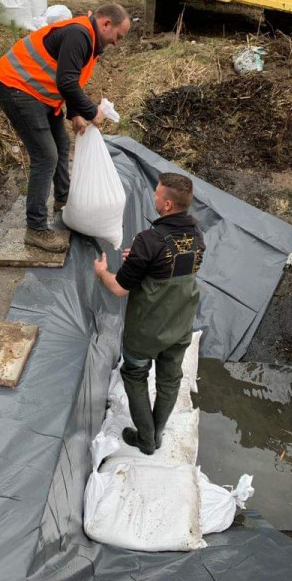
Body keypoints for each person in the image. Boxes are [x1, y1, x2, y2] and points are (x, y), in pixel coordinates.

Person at [0, 4, 131, 252]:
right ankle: (36, 229)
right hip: (17, 87)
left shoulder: (89, 40)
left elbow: (71, 79)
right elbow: (66, 82)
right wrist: (91, 112)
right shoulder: (79, 35)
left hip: (39, 93)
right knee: (46, 156)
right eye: (118, 36)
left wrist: (75, 113)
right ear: (106, 24)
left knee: (62, 143)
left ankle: (63, 198)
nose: (117, 43)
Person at [94, 173, 205, 455]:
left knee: (134, 375)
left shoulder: (149, 239)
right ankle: (157, 432)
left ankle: (146, 438)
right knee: (170, 381)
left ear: (167, 204)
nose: (153, 196)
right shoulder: (197, 236)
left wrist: (101, 272)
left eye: (157, 194)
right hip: (180, 326)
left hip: (146, 330)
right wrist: (140, 260)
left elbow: (119, 288)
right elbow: (173, 268)